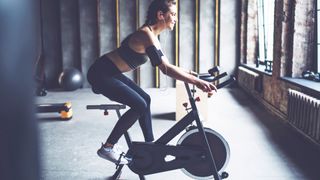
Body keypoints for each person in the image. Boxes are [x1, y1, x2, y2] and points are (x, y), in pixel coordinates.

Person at [87, 0, 217, 165]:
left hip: (112, 72)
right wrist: (196, 82)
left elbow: (168, 65)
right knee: (139, 105)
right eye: (173, 14)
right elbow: (165, 70)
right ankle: (107, 148)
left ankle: (151, 145)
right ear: (160, 15)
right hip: (101, 73)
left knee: (146, 100)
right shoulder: (145, 34)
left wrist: (191, 74)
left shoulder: (153, 36)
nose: (176, 18)